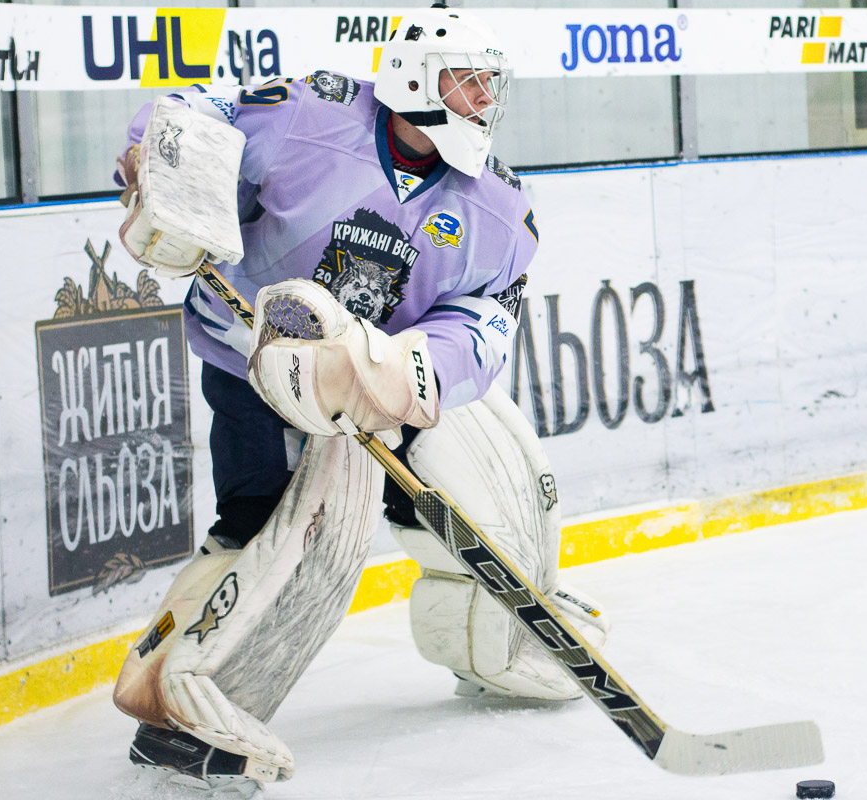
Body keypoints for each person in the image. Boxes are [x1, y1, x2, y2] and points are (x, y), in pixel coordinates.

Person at [107, 6, 611, 797]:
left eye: (488, 87)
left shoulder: (498, 206)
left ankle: (497, 646)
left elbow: (484, 319)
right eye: (466, 82)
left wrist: (406, 373)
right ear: (414, 78)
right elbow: (200, 117)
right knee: (267, 530)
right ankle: (173, 710)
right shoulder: (311, 112)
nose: (482, 101)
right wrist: (164, 169)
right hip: (257, 364)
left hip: (377, 377)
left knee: (470, 494)